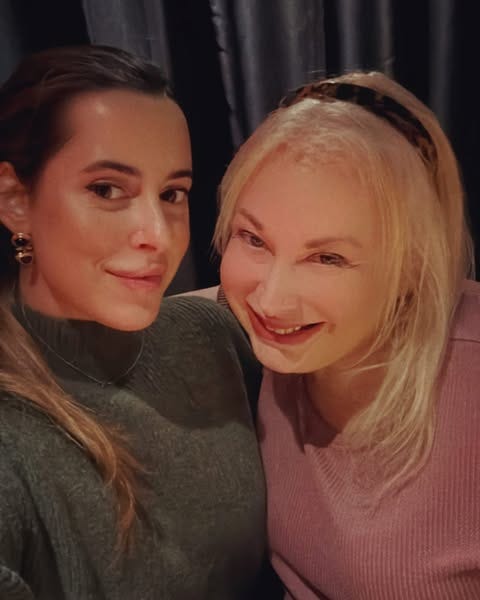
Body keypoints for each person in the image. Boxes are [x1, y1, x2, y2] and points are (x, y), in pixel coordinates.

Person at [0, 45, 268, 600]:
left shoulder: (211, 336)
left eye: (172, 194)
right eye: (107, 190)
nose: (159, 235)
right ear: (15, 200)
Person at [214, 71, 480, 598]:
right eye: (254, 239)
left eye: (328, 258)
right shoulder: (253, 330)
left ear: (412, 266)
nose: (270, 301)